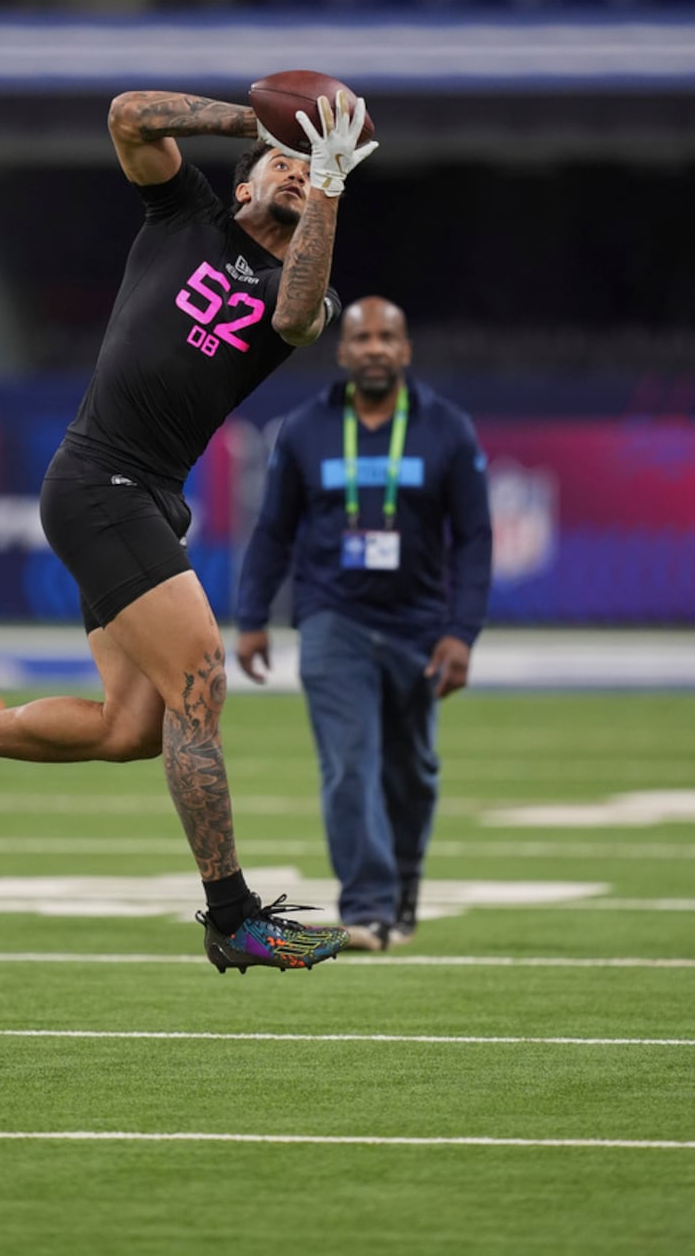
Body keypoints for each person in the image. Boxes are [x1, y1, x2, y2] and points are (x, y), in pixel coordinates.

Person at [0, 81, 379, 975]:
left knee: (128, 728)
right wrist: (259, 123)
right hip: (101, 477)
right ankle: (231, 914)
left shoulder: (309, 283)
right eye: (281, 166)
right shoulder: (186, 216)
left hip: (146, 494)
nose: (296, 174)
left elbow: (295, 314)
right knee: (199, 680)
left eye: (311, 168)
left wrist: (327, 181)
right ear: (243, 184)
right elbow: (128, 114)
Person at [235, 297, 492, 951]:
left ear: (404, 350)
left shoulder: (448, 429)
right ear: (342, 351)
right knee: (349, 765)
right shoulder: (302, 429)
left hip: (418, 625)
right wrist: (253, 616)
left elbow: (474, 537)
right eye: (362, 337)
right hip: (332, 619)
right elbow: (273, 529)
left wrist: (461, 631)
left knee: (414, 771)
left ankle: (402, 888)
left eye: (388, 337)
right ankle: (370, 908)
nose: (375, 347)